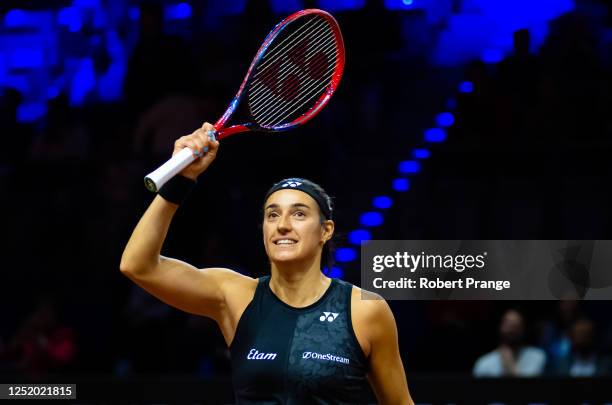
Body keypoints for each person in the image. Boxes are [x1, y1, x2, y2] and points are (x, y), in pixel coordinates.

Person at [120, 122, 415, 404]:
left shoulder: (365, 310)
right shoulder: (235, 296)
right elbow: (138, 265)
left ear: (326, 231)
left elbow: (400, 402)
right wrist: (180, 182)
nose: (282, 225)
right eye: (272, 215)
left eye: (299, 214)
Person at [473, 309, 546, 377]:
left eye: (516, 326)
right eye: (508, 324)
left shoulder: (538, 357)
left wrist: (510, 367)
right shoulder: (484, 363)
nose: (512, 329)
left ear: (524, 329)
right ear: (500, 327)